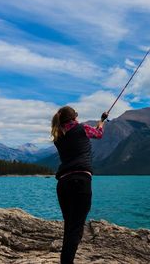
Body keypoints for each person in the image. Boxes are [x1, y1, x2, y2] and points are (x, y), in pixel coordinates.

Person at [51, 106, 108, 264]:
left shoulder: (58, 136)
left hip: (63, 184)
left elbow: (78, 135)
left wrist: (100, 121)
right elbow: (98, 134)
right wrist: (102, 123)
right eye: (76, 117)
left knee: (70, 226)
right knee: (76, 228)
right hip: (80, 181)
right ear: (74, 118)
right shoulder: (82, 128)